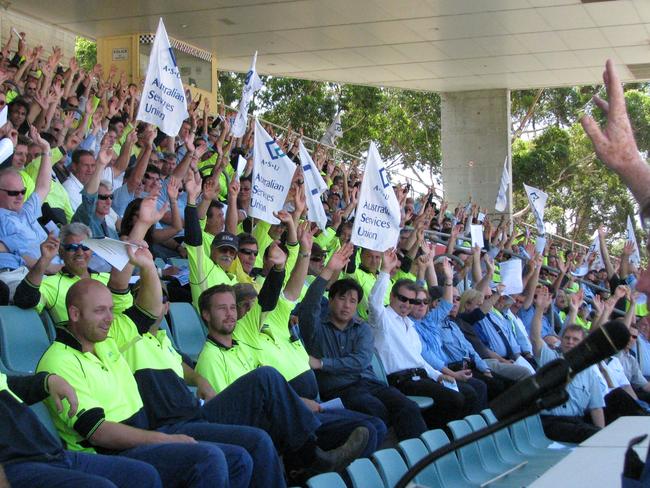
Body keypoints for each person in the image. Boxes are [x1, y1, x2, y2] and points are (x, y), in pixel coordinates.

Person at [37, 271, 253, 487]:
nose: (110, 318)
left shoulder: (106, 341)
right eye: (100, 311)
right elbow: (98, 433)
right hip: (107, 455)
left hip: (143, 439)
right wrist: (166, 440)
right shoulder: (59, 362)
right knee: (208, 458)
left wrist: (147, 264)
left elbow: (149, 311)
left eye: (111, 310)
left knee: (238, 459)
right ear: (74, 314)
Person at [298, 242, 427, 441]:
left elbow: (360, 360)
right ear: (330, 300)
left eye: (352, 301)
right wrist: (329, 270)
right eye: (342, 298)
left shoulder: (362, 328)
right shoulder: (316, 328)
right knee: (375, 409)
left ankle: (419, 459)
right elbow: (309, 306)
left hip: (370, 383)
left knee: (407, 406)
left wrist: (323, 363)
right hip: (340, 390)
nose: (347, 305)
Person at [368, 249, 478, 429]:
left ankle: (453, 438)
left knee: (469, 393)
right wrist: (385, 271)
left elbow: (419, 360)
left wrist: (439, 375)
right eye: (403, 299)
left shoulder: (410, 326)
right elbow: (374, 303)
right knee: (455, 399)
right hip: (401, 381)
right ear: (392, 297)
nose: (407, 304)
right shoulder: (383, 320)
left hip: (422, 376)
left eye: (411, 301)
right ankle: (438, 441)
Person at [1, 371, 162, 488]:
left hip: (51, 454)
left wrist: (48, 380)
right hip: (15, 464)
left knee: (142, 475)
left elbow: (9, 385)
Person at [14, 223, 132, 324]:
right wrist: (44, 259)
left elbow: (127, 311)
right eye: (72, 247)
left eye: (85, 247)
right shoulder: (51, 283)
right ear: (61, 252)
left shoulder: (108, 278)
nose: (80, 252)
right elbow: (23, 300)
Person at [529, 287, 605, 443]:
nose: (570, 342)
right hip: (551, 421)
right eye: (567, 338)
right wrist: (539, 310)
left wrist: (602, 435)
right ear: (561, 341)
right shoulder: (550, 359)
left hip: (577, 420)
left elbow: (596, 407)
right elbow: (536, 338)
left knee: (601, 434)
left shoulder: (589, 370)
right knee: (590, 435)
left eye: (575, 340)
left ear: (582, 343)